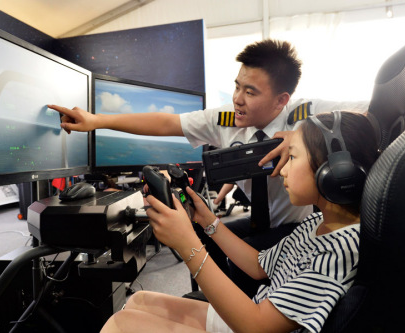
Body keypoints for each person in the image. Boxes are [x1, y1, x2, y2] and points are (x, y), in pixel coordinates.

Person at [48, 39, 368, 295]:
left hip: (293, 227)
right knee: (201, 230)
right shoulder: (227, 119)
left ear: (281, 100)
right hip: (256, 221)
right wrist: (96, 121)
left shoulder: (304, 113)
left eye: (250, 91)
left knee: (240, 265)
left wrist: (301, 135)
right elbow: (166, 122)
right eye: (237, 86)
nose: (237, 99)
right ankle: (221, 293)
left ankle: (243, 301)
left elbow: (371, 111)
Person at [100, 110, 379, 333]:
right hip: (257, 312)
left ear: (336, 173)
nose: (281, 168)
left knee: (120, 325)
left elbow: (257, 326)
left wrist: (187, 245)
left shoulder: (338, 252)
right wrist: (207, 220)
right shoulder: (318, 224)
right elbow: (260, 266)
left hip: (254, 323)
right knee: (138, 300)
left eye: (291, 157)